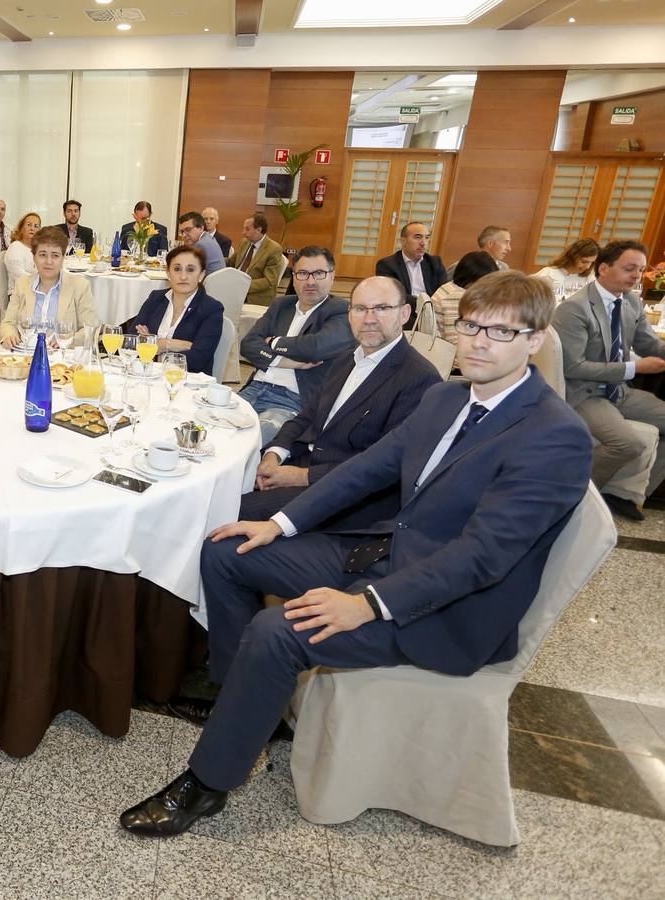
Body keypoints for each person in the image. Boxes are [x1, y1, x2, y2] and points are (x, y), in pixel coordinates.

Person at [120, 271, 592, 837]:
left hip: (444, 607)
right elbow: (367, 469)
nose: (480, 342)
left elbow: (482, 557)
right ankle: (243, 701)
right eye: (471, 326)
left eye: (502, 332)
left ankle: (207, 784)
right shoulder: (448, 396)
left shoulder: (554, 434)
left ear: (535, 340)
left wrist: (368, 604)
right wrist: (278, 523)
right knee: (229, 550)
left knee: (277, 630)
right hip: (386, 553)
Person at [244, 276, 441, 527]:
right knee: (228, 483)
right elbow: (306, 416)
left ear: (404, 314)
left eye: (382, 308)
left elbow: (385, 466)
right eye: (360, 309)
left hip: (347, 495)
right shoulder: (346, 360)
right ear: (349, 315)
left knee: (231, 510)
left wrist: (300, 476)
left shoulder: (420, 378)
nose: (369, 319)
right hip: (306, 461)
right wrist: (274, 454)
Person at [552, 239, 665, 521]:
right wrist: (633, 368)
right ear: (603, 268)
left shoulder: (631, 301)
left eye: (640, 270)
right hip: (582, 392)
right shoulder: (575, 309)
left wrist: (640, 364)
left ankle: (624, 493)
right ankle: (569, 495)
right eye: (629, 269)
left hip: (617, 390)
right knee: (628, 444)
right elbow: (573, 366)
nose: (636, 276)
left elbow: (650, 345)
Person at [238, 247, 354, 445]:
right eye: (302, 273)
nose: (310, 281)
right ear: (293, 277)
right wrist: (286, 362)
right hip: (254, 389)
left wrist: (275, 341)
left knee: (249, 443)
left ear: (332, 276)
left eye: (319, 273)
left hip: (292, 400)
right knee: (210, 425)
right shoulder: (281, 305)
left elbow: (315, 348)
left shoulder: (342, 311)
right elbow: (248, 344)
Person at [130, 244, 224, 376]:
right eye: (177, 269)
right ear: (168, 273)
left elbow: (199, 359)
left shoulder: (211, 308)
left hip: (188, 382)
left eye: (190, 270)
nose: (183, 276)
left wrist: (161, 345)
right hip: (147, 376)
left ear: (202, 275)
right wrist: (181, 345)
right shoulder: (156, 298)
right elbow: (131, 341)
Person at [0, 225, 97, 349]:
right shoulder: (22, 284)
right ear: (34, 257)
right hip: (25, 357)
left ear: (63, 257)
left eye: (55, 255)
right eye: (42, 255)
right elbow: (8, 323)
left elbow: (90, 329)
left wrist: (68, 341)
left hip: (62, 359)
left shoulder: (79, 286)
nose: (48, 261)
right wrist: (9, 335)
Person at [432, 251, 500, 343]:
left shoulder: (449, 287)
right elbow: (454, 340)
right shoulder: (457, 298)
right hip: (446, 352)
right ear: (474, 279)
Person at [374, 221, 446, 303]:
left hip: (432, 311)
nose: (423, 243)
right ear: (403, 241)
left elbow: (443, 292)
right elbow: (394, 294)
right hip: (404, 310)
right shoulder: (387, 265)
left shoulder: (435, 262)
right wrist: (424, 305)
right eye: (418, 237)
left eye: (427, 237)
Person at [228, 213, 286, 308]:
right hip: (234, 287)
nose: (243, 233)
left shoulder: (274, 249)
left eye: (247, 229)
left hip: (253, 295)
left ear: (258, 230)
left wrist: (241, 286)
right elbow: (231, 262)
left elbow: (269, 281)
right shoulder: (245, 242)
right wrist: (213, 261)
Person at [534, 238, 599, 301]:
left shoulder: (590, 277)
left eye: (592, 263)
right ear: (573, 256)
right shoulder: (548, 274)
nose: (588, 267)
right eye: (584, 262)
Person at [175, 211, 226, 276]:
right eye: (182, 232)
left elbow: (191, 273)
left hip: (209, 284)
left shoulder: (200, 245)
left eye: (188, 229)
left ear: (201, 228)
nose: (184, 235)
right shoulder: (208, 238)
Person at [4, 212, 40, 286]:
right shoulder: (15, 247)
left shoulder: (38, 248)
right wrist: (41, 282)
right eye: (29, 225)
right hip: (18, 293)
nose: (32, 228)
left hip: (37, 288)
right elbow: (19, 276)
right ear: (21, 229)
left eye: (36, 226)